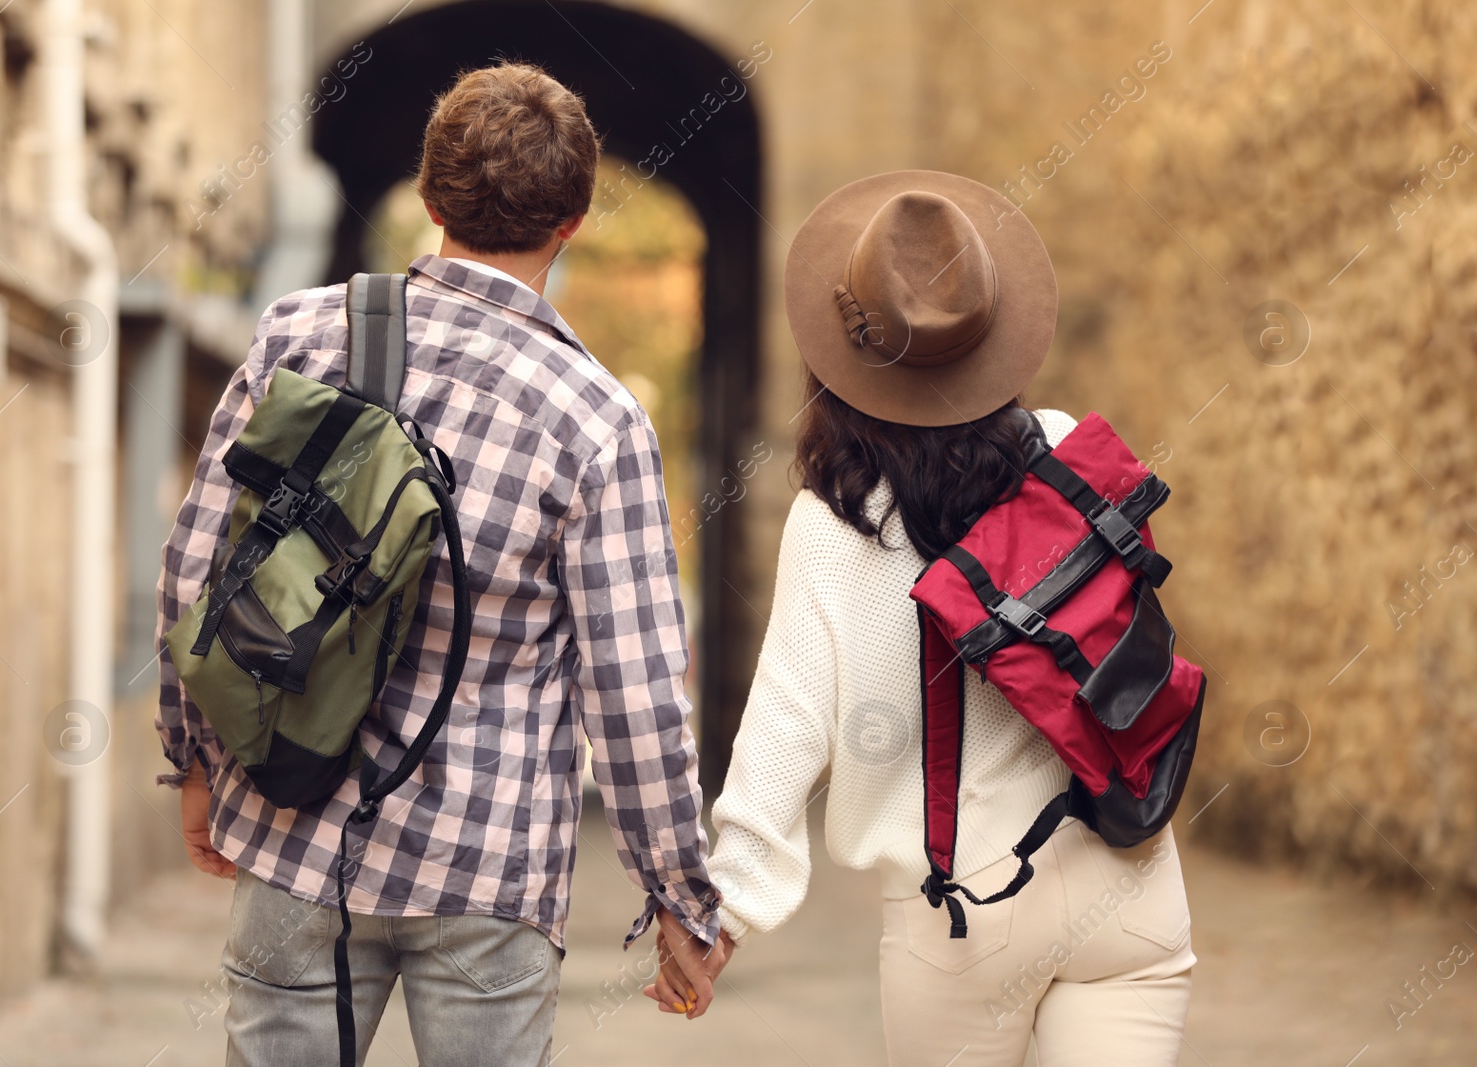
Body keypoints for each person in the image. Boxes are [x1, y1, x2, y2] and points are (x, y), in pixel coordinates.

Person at [156, 63, 730, 1067]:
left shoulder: (299, 334)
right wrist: (679, 893)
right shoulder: (594, 419)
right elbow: (634, 699)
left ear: (427, 202)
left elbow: (198, 566)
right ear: (576, 220)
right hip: (485, 864)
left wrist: (193, 758)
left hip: (295, 826)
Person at [678, 172, 1194, 1064]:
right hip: (1130, 873)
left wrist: (726, 913)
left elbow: (788, 725)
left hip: (961, 916)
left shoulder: (838, 520)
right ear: (988, 335)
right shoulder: (1066, 453)